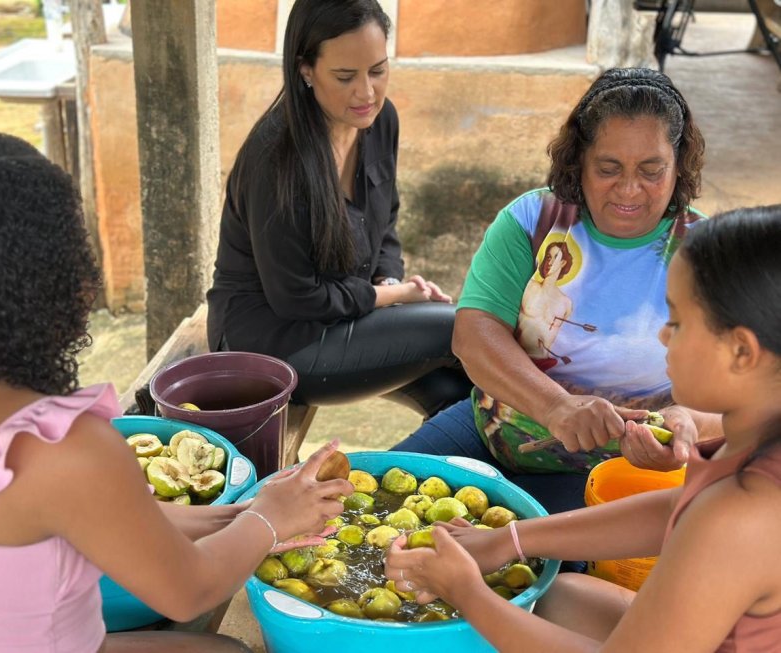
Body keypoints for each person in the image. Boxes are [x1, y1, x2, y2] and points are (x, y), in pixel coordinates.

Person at [0, 129, 353, 653]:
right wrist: (268, 520)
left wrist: (240, 514)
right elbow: (190, 591)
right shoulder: (66, 450)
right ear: (55, 280)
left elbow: (104, 519)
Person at [385, 205, 781, 652]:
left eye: (676, 322)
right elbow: (676, 509)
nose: (663, 338)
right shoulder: (754, 437)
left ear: (743, 352)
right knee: (561, 596)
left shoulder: (746, 513)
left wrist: (469, 595)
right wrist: (508, 541)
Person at [392, 67, 723, 514]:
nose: (629, 189)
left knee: (532, 569)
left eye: (652, 170)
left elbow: (746, 391)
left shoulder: (706, 250)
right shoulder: (533, 222)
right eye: (608, 168)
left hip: (617, 473)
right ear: (579, 161)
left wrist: (690, 421)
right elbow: (474, 334)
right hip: (492, 433)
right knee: (367, 500)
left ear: (679, 164)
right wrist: (556, 407)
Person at [206, 0, 471, 418]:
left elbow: (386, 220)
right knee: (461, 327)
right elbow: (297, 298)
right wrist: (394, 295)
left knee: (457, 392)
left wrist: (388, 274)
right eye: (345, 76)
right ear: (305, 70)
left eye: (378, 70)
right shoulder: (275, 159)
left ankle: (454, 481)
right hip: (270, 346)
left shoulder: (380, 123)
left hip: (341, 318)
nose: (366, 92)